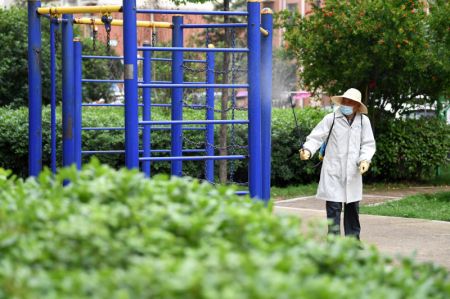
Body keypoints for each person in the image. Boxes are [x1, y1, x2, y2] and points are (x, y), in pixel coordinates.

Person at [299, 88, 376, 239]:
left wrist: (365, 159)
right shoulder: (331, 118)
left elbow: (368, 143)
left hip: (353, 171)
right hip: (333, 170)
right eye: (345, 101)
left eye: (350, 102)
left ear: (356, 105)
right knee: (333, 208)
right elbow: (316, 137)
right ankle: (333, 242)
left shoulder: (363, 121)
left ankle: (353, 241)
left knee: (352, 207)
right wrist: (307, 150)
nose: (346, 104)